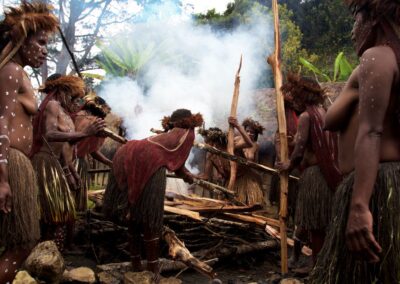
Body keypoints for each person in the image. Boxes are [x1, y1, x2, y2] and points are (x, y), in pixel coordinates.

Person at [310, 1, 400, 282]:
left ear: (372, 21)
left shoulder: (378, 57)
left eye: (355, 21)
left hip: (376, 190)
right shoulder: (384, 62)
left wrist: (360, 205)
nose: (352, 31)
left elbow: (371, 131)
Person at [0, 1, 58, 282]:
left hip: (15, 162)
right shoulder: (10, 71)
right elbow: (1, 122)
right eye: (42, 42)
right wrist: (3, 178)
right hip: (9, 161)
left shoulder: (17, 72)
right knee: (22, 242)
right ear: (22, 40)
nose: (45, 50)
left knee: (20, 240)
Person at [109, 109, 202, 281]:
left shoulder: (167, 136)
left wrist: (186, 174)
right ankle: (153, 269)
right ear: (189, 122)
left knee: (134, 216)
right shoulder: (186, 133)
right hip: (150, 164)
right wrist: (187, 176)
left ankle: (135, 264)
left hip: (128, 153)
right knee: (151, 220)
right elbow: (177, 163)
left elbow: (170, 158)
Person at [30, 74, 105, 251]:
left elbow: (64, 147)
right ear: (63, 92)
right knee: (50, 214)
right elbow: (49, 135)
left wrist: (70, 171)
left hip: (56, 165)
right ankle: (41, 255)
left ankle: (53, 255)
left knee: (61, 214)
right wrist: (84, 133)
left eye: (78, 99)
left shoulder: (66, 113)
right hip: (44, 163)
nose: (77, 103)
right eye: (74, 97)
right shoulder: (52, 105)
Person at [278, 73, 341, 271]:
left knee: (314, 223)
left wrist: (289, 163)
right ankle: (321, 263)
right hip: (326, 175)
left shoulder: (306, 116)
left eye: (296, 97)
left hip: (315, 175)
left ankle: (317, 265)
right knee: (322, 222)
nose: (294, 101)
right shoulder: (324, 112)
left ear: (303, 96)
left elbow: (301, 147)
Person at [73, 93, 113, 212]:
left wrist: (107, 162)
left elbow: (91, 150)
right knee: (75, 199)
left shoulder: (73, 116)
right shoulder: (95, 123)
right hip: (76, 163)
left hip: (63, 161)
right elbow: (90, 149)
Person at [229, 117, 265, 206]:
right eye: (247, 131)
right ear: (244, 131)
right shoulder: (237, 140)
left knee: (250, 202)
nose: (249, 133)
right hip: (236, 175)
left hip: (249, 176)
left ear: (255, 134)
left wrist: (252, 165)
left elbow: (256, 162)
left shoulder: (256, 145)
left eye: (252, 132)